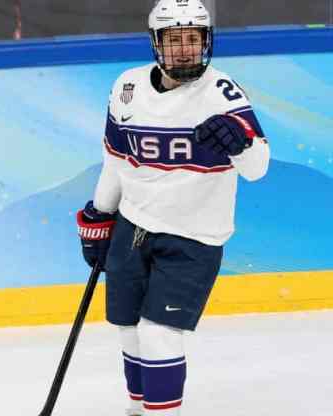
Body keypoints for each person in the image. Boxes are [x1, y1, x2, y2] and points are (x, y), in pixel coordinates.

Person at [75, 0, 270, 414]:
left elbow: (258, 169)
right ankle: (137, 408)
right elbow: (116, 159)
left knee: (159, 333)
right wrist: (99, 214)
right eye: (174, 39)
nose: (184, 48)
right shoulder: (126, 87)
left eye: (193, 39)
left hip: (194, 237)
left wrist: (241, 140)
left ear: (205, 42)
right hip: (134, 225)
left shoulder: (223, 94)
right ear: (156, 43)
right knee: (128, 328)